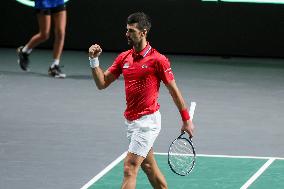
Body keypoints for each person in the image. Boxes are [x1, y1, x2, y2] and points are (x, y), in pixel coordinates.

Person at [88, 12, 194, 189]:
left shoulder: (158, 60)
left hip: (147, 122)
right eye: (126, 30)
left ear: (143, 32)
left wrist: (186, 119)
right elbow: (102, 83)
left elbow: (174, 91)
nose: (127, 34)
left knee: (130, 167)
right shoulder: (124, 58)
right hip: (131, 122)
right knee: (148, 166)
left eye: (131, 31)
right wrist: (94, 60)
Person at [17, 0, 67, 78]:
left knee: (61, 33)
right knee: (44, 35)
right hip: (43, 2)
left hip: (58, 1)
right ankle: (24, 51)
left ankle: (54, 66)